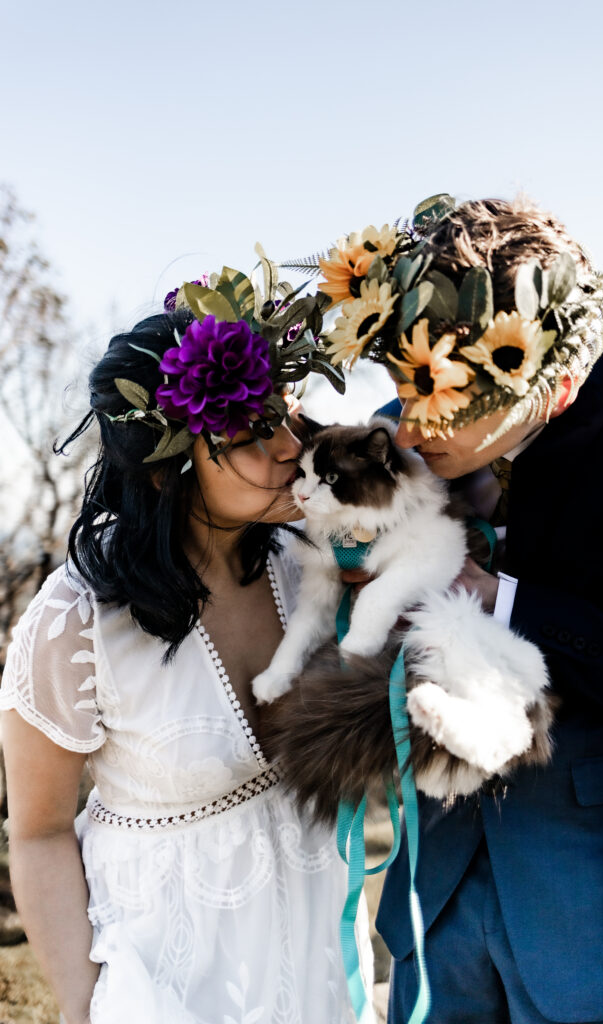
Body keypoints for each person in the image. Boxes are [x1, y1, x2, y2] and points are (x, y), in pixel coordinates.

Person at [318, 197, 603, 1023]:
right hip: (433, 902)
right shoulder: (394, 439)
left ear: (536, 368)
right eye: (398, 383)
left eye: (433, 390)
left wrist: (500, 600)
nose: (405, 425)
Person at [0, 270, 372, 1024]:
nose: (290, 448)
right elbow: (37, 832)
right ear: (168, 469)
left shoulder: (313, 564)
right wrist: (82, 1001)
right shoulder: (76, 621)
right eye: (251, 435)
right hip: (169, 980)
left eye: (287, 418)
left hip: (324, 959)